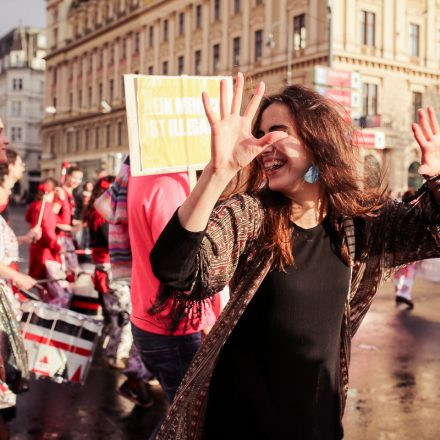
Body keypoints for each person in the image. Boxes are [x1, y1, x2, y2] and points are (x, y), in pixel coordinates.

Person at [148, 73, 440, 439]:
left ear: (317, 141)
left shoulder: (360, 224)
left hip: (316, 421)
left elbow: (433, 233)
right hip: (241, 421)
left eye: (278, 131)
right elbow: (179, 272)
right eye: (261, 134)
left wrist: (438, 179)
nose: (265, 145)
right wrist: (217, 173)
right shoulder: (251, 215)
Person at [126, 157, 218, 436]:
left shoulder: (144, 174)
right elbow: (179, 266)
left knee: (182, 418)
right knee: (191, 423)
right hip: (176, 326)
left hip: (155, 320)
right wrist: (207, 325)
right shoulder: (171, 183)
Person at [85, 175, 154, 407]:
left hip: (111, 268)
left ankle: (115, 354)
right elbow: (106, 239)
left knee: (117, 317)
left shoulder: (99, 212)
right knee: (123, 317)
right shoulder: (101, 214)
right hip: (110, 269)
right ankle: (115, 356)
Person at [0, 118, 35, 439]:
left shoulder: (4, 202)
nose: (7, 139)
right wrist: (17, 276)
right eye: (0, 133)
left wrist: (21, 242)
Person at [53, 166, 84, 276]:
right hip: (60, 237)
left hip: (67, 237)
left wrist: (77, 223)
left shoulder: (71, 194)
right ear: (67, 176)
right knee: (64, 271)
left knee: (72, 271)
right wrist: (69, 228)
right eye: (74, 177)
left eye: (80, 179)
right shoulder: (61, 193)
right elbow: (52, 216)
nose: (77, 181)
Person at [394, 188, 418, 310]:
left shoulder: (399, 210)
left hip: (398, 248)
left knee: (399, 271)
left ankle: (399, 291)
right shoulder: (416, 212)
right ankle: (403, 294)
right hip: (410, 249)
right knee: (409, 272)